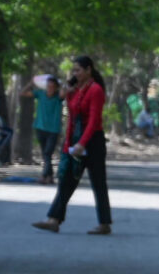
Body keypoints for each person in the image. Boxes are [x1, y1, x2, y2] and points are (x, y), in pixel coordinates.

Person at [33, 55, 112, 235]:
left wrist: (82, 143)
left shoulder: (96, 90)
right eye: (73, 70)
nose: (75, 73)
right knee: (67, 179)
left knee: (98, 182)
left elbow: (93, 121)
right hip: (76, 139)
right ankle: (54, 220)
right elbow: (72, 118)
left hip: (93, 141)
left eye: (78, 70)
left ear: (88, 70)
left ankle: (104, 223)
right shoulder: (76, 90)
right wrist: (68, 143)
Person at [32, 75, 63, 183]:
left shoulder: (59, 97)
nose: (50, 89)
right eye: (48, 86)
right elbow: (22, 93)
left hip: (53, 130)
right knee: (45, 154)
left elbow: (64, 93)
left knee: (47, 153)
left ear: (56, 88)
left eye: (52, 87)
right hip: (40, 128)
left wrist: (61, 85)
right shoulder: (40, 94)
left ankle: (44, 175)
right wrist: (31, 83)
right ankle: (50, 176)